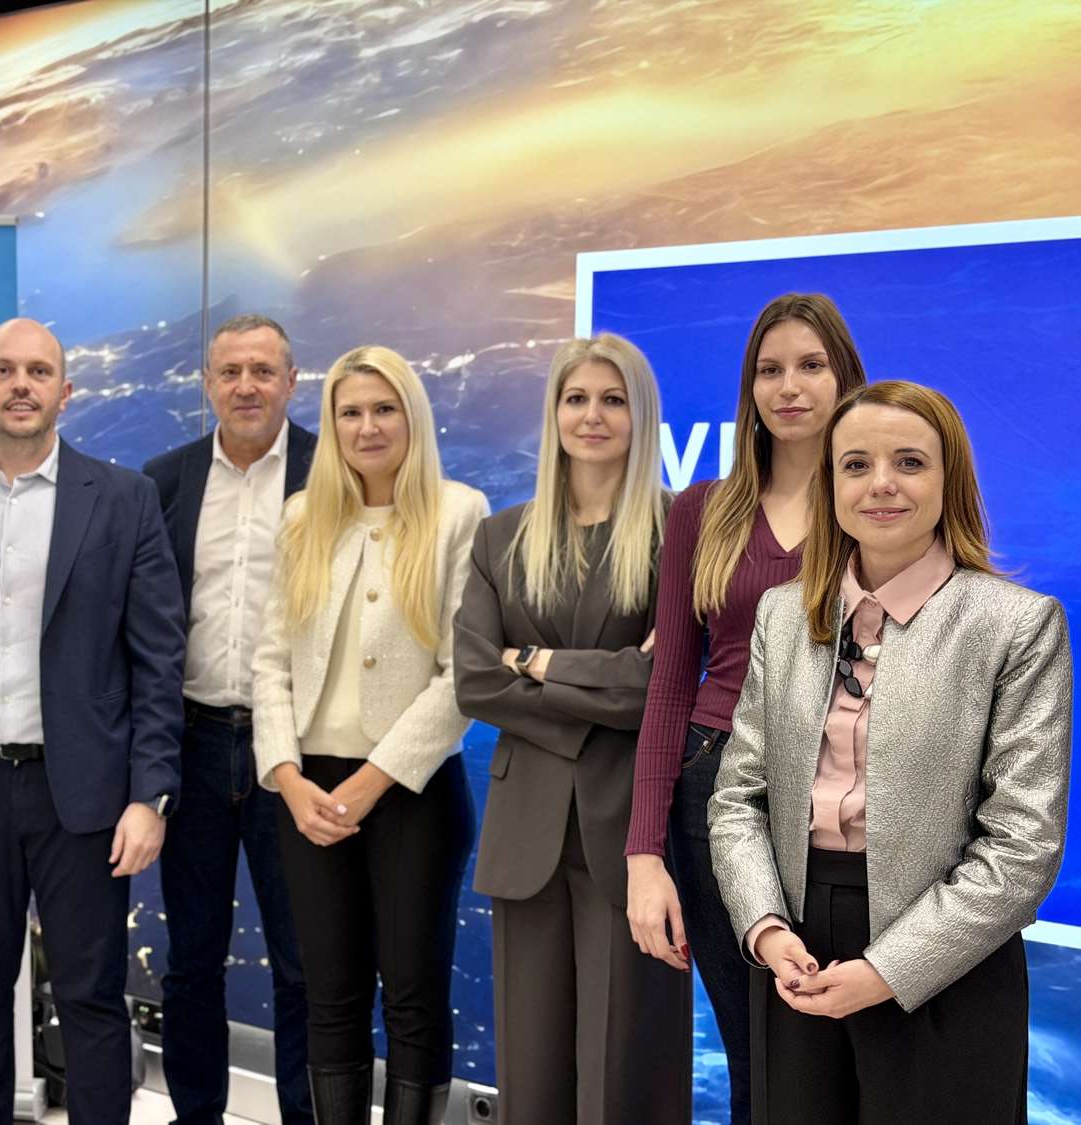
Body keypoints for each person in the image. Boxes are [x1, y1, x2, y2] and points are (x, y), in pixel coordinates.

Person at [709, 380, 1071, 1123]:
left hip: (949, 959)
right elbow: (738, 798)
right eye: (855, 464)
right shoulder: (783, 614)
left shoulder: (1017, 625)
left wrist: (888, 970)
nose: (881, 484)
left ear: (948, 480)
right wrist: (765, 927)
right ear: (829, 483)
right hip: (796, 955)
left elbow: (1022, 846)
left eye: (909, 462)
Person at [0, 318, 185, 1125]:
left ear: (65, 391)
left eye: (39, 371)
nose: (22, 384)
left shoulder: (125, 498)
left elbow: (159, 660)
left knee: (91, 996)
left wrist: (149, 794)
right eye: (5, 370)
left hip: (85, 794)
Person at [624, 293, 868, 1122]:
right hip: (712, 792)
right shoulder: (701, 509)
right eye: (770, 369)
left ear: (845, 377)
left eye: (810, 365)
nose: (788, 386)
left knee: (836, 1050)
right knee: (756, 1057)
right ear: (748, 388)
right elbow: (670, 686)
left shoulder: (876, 500)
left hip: (844, 801)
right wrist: (644, 854)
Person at [453, 334, 690, 1124]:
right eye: (577, 398)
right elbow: (476, 680)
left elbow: (664, 686)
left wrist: (538, 661)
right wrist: (604, 688)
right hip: (527, 832)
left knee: (628, 1072)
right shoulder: (501, 536)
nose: (593, 415)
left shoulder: (680, 531)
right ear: (554, 411)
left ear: (641, 414)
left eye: (613, 399)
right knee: (532, 1072)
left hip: (637, 830)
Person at [251, 345, 487, 1125]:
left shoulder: (459, 513)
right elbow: (270, 662)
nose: (367, 426)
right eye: (350, 412)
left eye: (384, 408)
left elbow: (461, 675)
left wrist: (370, 780)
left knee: (414, 994)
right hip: (308, 796)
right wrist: (287, 777)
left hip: (413, 791)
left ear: (412, 416)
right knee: (330, 993)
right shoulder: (302, 518)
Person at [142, 314, 316, 1125]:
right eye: (230, 372)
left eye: (263, 370)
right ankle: (196, 1115)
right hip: (192, 742)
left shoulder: (333, 471)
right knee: (191, 960)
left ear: (291, 381)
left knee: (304, 963)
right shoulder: (164, 481)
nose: (247, 386)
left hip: (300, 750)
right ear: (207, 383)